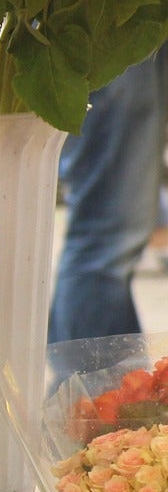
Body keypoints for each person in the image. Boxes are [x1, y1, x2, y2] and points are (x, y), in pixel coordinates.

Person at [49, 48, 168, 344]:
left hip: (144, 18)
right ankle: (87, 382)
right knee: (106, 238)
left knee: (114, 237)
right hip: (106, 13)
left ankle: (106, 377)